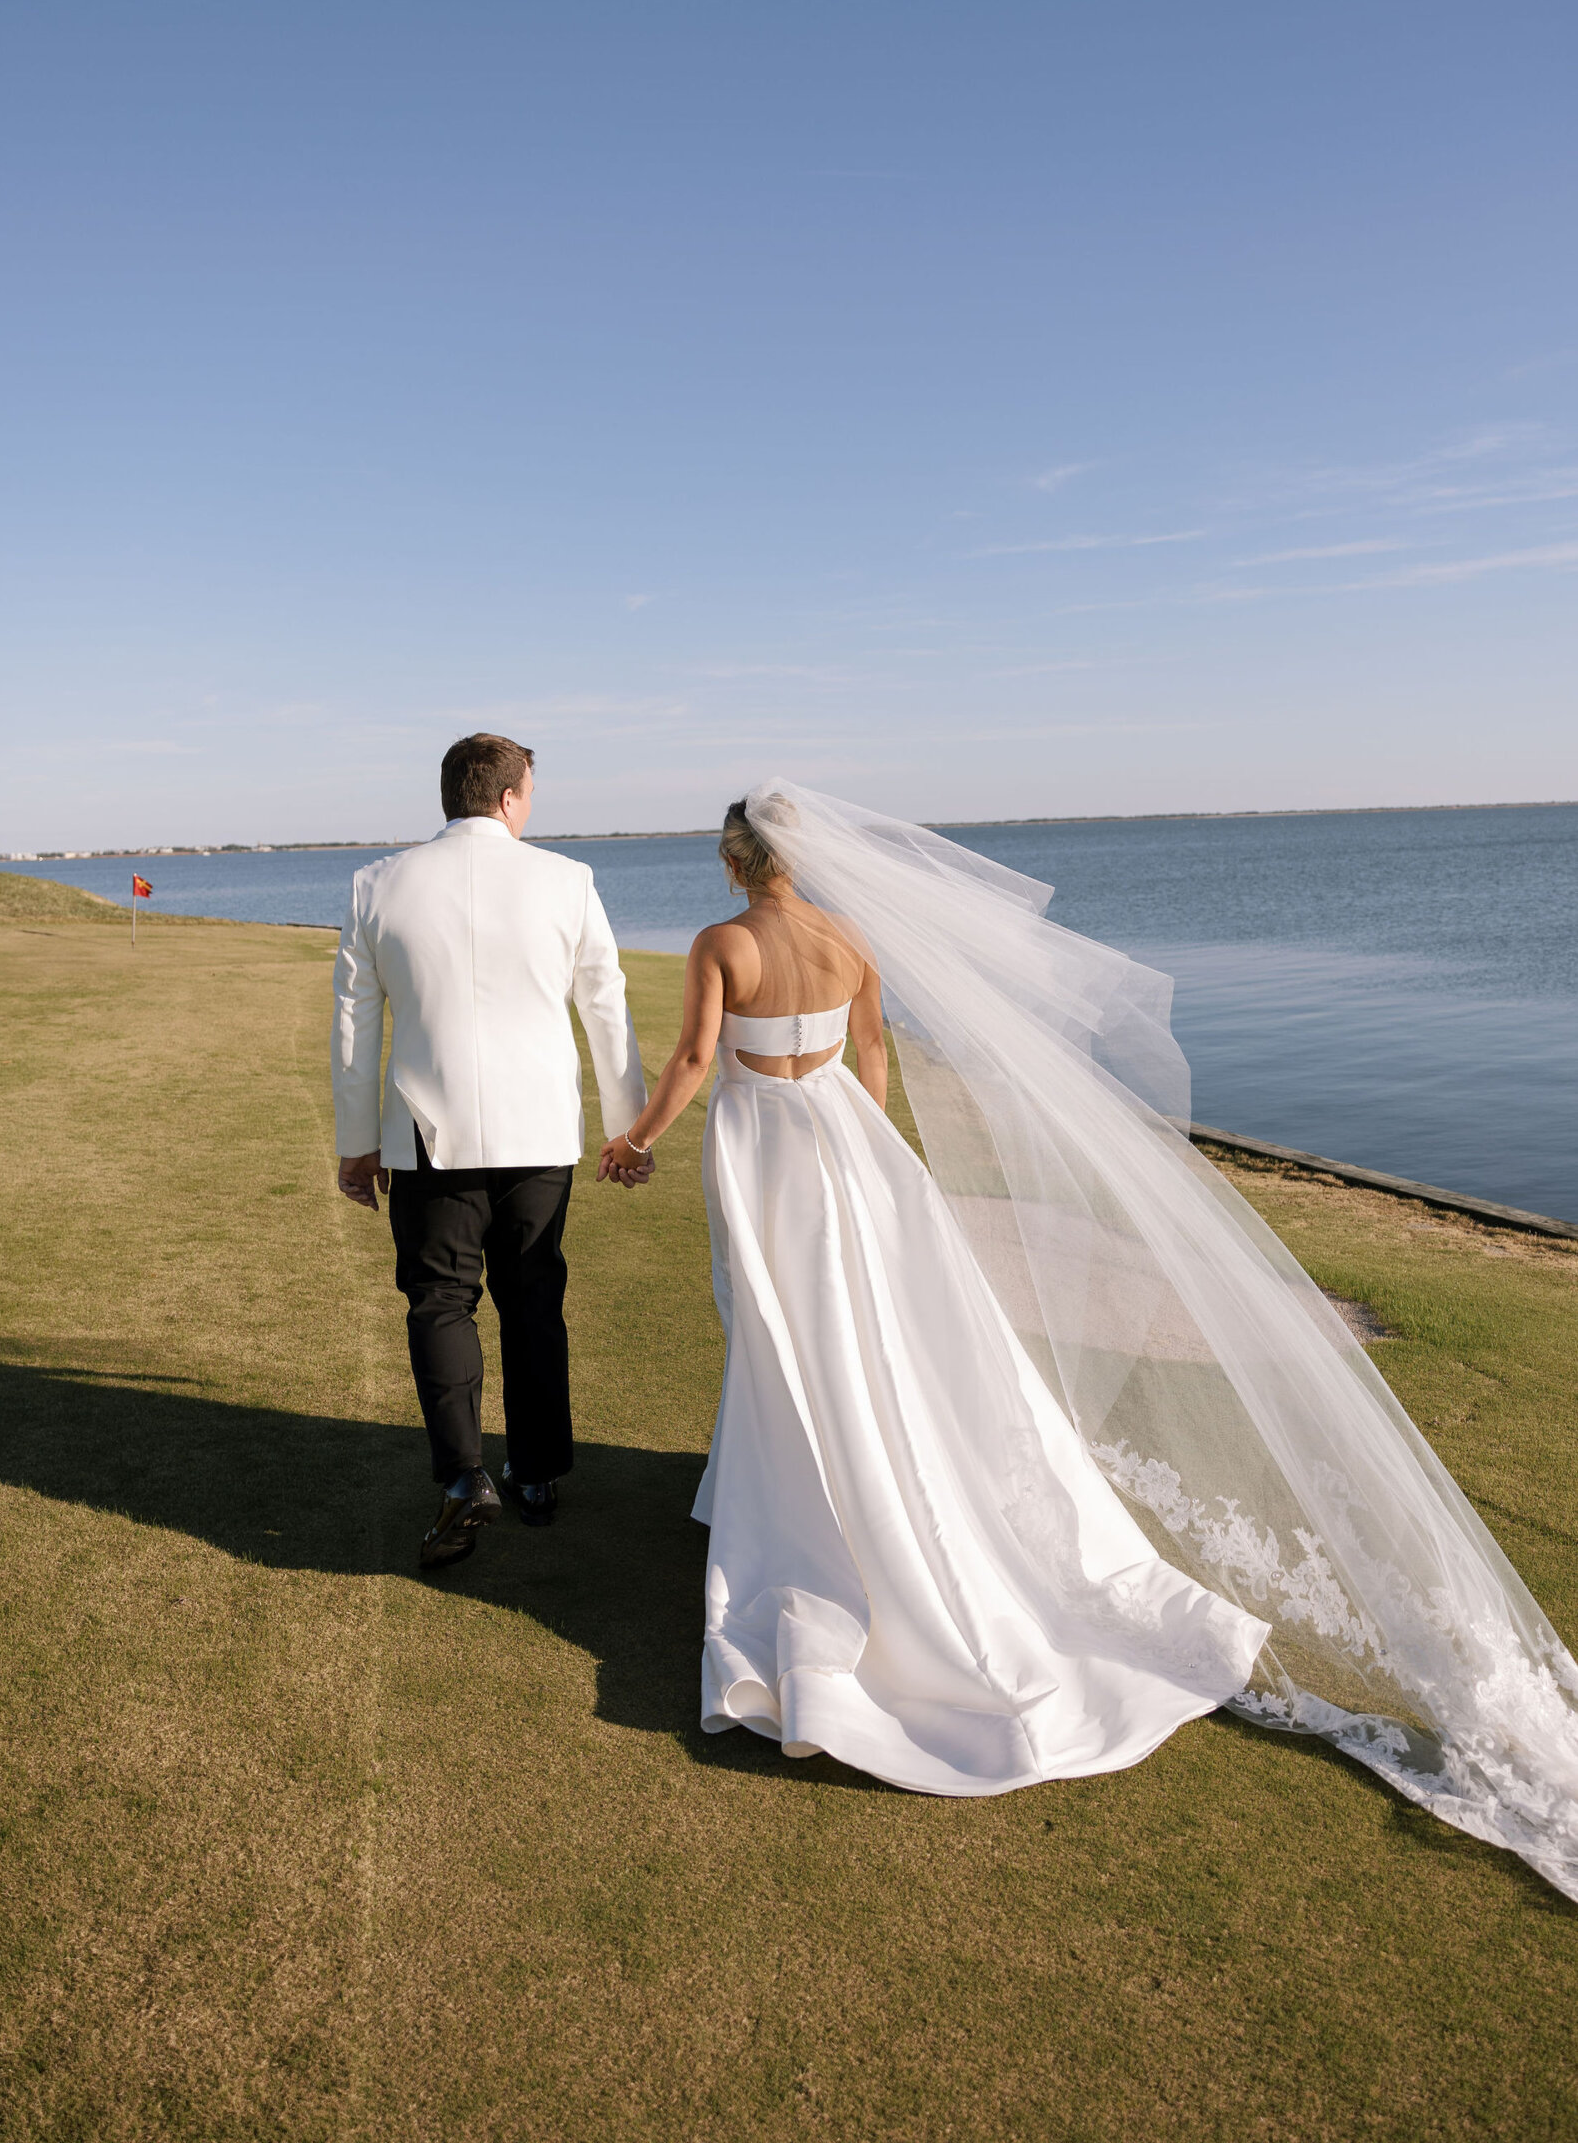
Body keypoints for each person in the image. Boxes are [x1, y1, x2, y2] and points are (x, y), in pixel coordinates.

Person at [601, 783, 1578, 1897]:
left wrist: (633, 1141)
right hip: (848, 1145)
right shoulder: (849, 935)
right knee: (851, 1326)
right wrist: (866, 1138)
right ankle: (773, 1483)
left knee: (781, 1324)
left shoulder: (723, 941)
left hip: (767, 1148)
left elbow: (692, 1061)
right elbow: (874, 1056)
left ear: (736, 861)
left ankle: (811, 1516)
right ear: (807, 855)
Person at [334, 732, 648, 1569]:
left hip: (426, 1136)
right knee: (532, 1301)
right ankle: (536, 1475)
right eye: (531, 790)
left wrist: (356, 1146)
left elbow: (355, 1028)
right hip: (539, 1129)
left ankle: (463, 1477)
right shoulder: (567, 880)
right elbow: (605, 1006)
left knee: (440, 1302)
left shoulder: (377, 884)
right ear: (509, 798)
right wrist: (628, 1127)